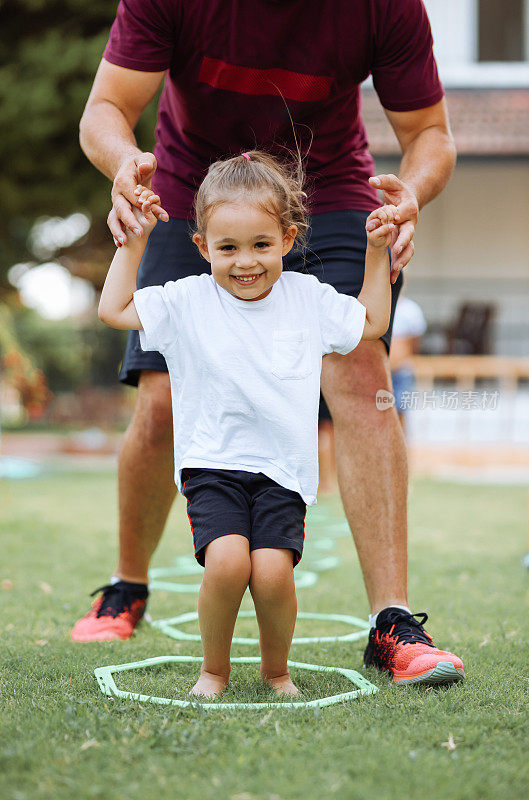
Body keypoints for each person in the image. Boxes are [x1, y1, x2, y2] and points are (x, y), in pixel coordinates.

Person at [73, 0, 464, 686]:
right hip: (189, 188)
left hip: (332, 190)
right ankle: (127, 585)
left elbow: (429, 131)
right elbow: (105, 106)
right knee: (161, 397)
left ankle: (394, 622)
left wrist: (412, 196)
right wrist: (125, 163)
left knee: (361, 375)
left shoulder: (386, 7)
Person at [96, 151, 398, 697]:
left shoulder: (307, 298)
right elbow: (114, 311)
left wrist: (377, 253)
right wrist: (134, 244)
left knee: (274, 573)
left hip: (282, 470)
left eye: (261, 245)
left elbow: (372, 322)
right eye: (227, 248)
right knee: (229, 562)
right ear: (202, 246)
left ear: (288, 238)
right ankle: (214, 669)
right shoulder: (187, 299)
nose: (245, 262)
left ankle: (275, 670)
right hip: (212, 464)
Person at [390, 295, 427, 434]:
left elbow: (415, 342)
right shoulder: (376, 306)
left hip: (402, 371)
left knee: (400, 413)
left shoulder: (411, 310)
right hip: (380, 371)